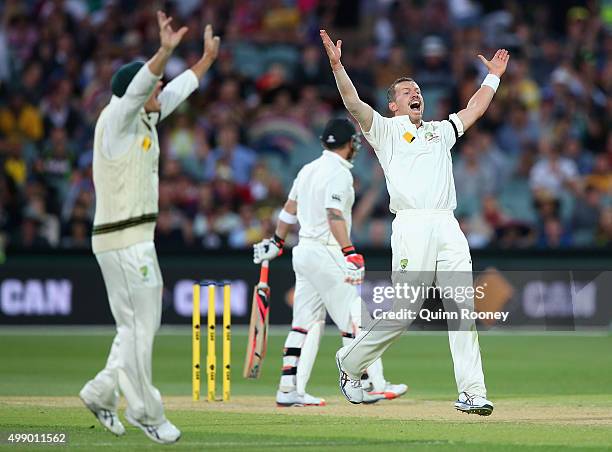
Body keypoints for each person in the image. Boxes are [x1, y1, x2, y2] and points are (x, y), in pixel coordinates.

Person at [320, 29, 509, 416]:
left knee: (462, 309)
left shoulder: (440, 132)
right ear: (393, 105)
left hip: (448, 225)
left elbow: (474, 109)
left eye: (417, 89)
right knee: (405, 310)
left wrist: (493, 77)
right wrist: (339, 67)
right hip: (411, 225)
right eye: (406, 91)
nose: (414, 93)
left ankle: (472, 392)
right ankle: (350, 363)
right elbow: (353, 103)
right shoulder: (385, 131)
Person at [79, 12, 220, 444]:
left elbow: (176, 89)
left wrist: (207, 58)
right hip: (124, 242)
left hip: (132, 239)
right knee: (141, 326)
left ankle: (101, 392)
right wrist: (163, 51)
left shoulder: (145, 118)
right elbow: (145, 85)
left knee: (134, 327)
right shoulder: (117, 120)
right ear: (134, 94)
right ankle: (145, 412)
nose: (160, 89)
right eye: (151, 86)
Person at [253, 118, 407, 407]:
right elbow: (333, 213)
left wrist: (277, 242)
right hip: (327, 252)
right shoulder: (339, 174)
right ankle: (369, 384)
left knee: (305, 322)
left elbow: (288, 211)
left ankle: (288, 388)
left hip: (304, 252)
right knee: (356, 318)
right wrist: (349, 251)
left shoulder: (307, 169)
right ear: (350, 144)